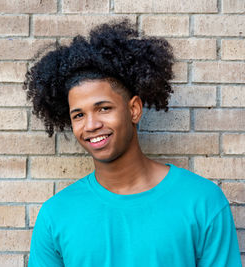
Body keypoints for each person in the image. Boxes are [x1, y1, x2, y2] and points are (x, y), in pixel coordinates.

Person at [24, 20, 242, 267]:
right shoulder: (56, 214)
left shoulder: (202, 201)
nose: (91, 124)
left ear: (134, 109)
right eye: (79, 115)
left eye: (104, 108)